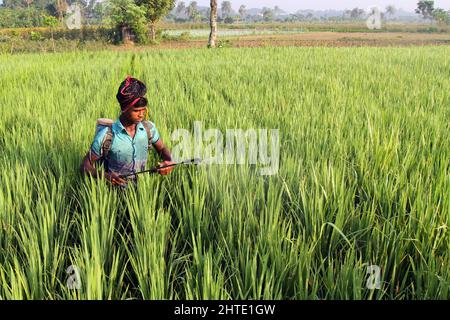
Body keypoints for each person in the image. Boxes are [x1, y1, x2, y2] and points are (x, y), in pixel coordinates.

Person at [80, 76, 175, 187]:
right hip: (114, 193)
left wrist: (169, 160)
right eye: (136, 111)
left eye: (143, 110)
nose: (141, 114)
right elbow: (85, 166)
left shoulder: (149, 128)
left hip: (143, 190)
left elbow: (162, 148)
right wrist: (105, 176)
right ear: (124, 109)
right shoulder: (107, 135)